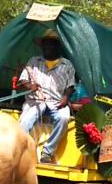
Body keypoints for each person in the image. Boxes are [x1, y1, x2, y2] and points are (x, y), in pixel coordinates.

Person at [18, 29, 75, 163]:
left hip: (56, 101)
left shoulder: (67, 65)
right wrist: (30, 86)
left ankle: (47, 153)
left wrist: (65, 98)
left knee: (64, 117)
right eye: (45, 44)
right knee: (25, 121)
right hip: (36, 101)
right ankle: (20, 150)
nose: (47, 47)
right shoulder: (34, 61)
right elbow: (23, 80)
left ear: (57, 46)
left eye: (51, 44)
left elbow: (71, 86)